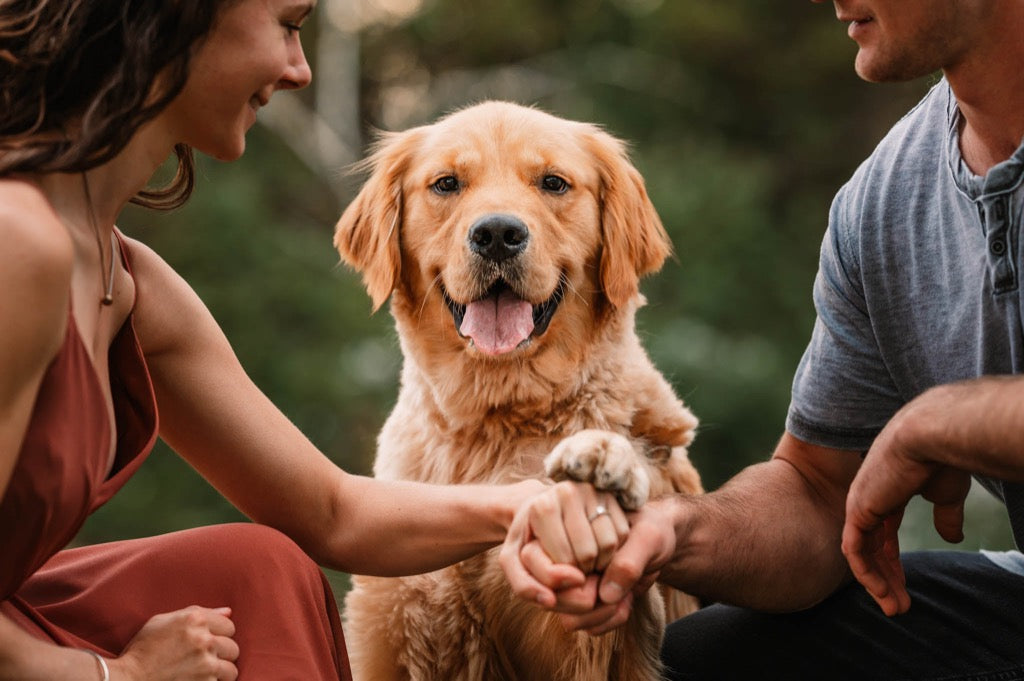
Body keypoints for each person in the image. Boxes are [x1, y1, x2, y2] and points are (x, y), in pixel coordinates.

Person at [0, 2, 555, 680]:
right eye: (289, 26)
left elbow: (332, 511)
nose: (299, 70)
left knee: (260, 569)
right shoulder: (16, 241)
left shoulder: (131, 282)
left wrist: (535, 504)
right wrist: (117, 674)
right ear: (175, 17)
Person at [501, 1, 1024, 679]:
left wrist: (940, 420)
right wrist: (666, 529)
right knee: (710, 652)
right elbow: (816, 491)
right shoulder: (884, 202)